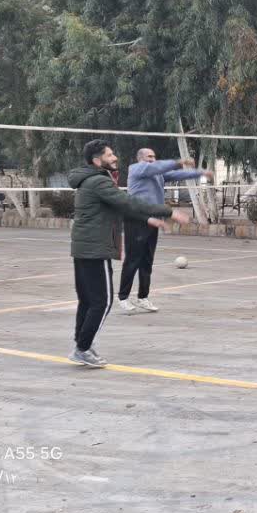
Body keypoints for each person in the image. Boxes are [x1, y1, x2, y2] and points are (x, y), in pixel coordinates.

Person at [67, 140, 188, 368]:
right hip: (95, 249)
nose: (115, 158)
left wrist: (148, 219)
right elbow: (129, 202)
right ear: (97, 161)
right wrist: (167, 211)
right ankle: (82, 348)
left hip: (84, 248)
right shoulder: (98, 181)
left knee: (88, 301)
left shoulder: (90, 180)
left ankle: (82, 345)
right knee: (102, 302)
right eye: (109, 155)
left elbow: (120, 208)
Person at [117, 149, 211, 313]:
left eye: (154, 156)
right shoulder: (136, 169)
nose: (153, 159)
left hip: (154, 220)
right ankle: (123, 297)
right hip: (137, 219)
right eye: (149, 157)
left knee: (147, 261)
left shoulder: (158, 174)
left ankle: (143, 297)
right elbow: (158, 167)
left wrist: (201, 173)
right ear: (140, 159)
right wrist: (180, 162)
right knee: (133, 260)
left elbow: (178, 175)